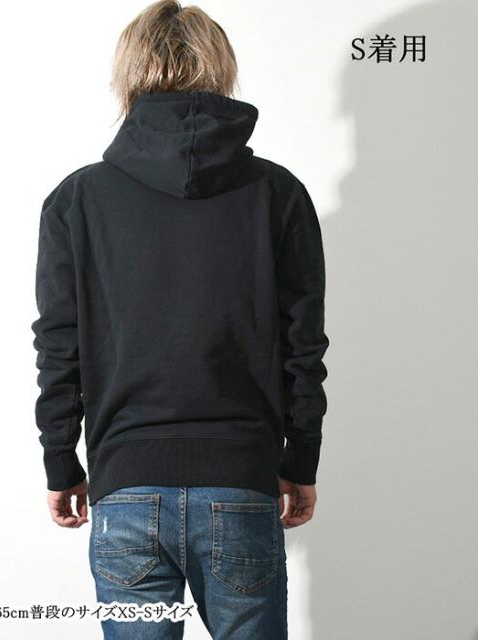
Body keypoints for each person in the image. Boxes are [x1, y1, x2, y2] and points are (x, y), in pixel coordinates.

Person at [31, 1, 329, 637]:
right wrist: (301, 459)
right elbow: (303, 346)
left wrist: (62, 461)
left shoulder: (78, 200)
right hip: (240, 482)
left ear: (128, 71)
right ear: (221, 68)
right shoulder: (278, 194)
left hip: (126, 487)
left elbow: (59, 346)